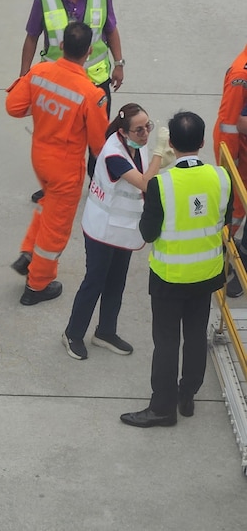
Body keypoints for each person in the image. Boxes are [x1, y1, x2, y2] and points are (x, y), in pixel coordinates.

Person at [121, 112, 234, 428]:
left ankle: (162, 408)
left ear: (170, 144)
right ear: (201, 143)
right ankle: (187, 397)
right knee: (196, 336)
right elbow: (226, 220)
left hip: (169, 278)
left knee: (167, 341)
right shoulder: (223, 177)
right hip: (207, 274)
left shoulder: (160, 184)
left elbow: (147, 233)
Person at [6, 21, 109, 305]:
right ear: (88, 52)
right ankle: (37, 285)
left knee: (46, 207)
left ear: (62, 46)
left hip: (40, 158)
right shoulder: (92, 94)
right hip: (66, 168)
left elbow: (14, 107)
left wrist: (41, 107)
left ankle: (28, 254)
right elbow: (99, 144)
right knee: (57, 226)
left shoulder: (39, 73)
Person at [61, 104, 165, 360]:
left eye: (147, 127)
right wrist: (159, 157)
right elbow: (143, 182)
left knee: (116, 282)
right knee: (94, 282)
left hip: (121, 229)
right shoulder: (113, 154)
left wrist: (156, 160)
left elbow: (141, 177)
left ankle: (105, 332)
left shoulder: (134, 146)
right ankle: (72, 333)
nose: (145, 133)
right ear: (123, 131)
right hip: (102, 230)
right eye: (139, 129)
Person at [21, 0, 124, 203]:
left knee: (97, 139)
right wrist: (24, 77)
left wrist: (119, 63)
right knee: (57, 139)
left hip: (95, 84)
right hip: (59, 87)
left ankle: (96, 184)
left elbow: (110, 30)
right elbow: (32, 38)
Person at [212, 47, 247, 297]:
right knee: (234, 209)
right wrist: (229, 167)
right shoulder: (240, 75)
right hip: (239, 159)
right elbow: (230, 124)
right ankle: (229, 257)